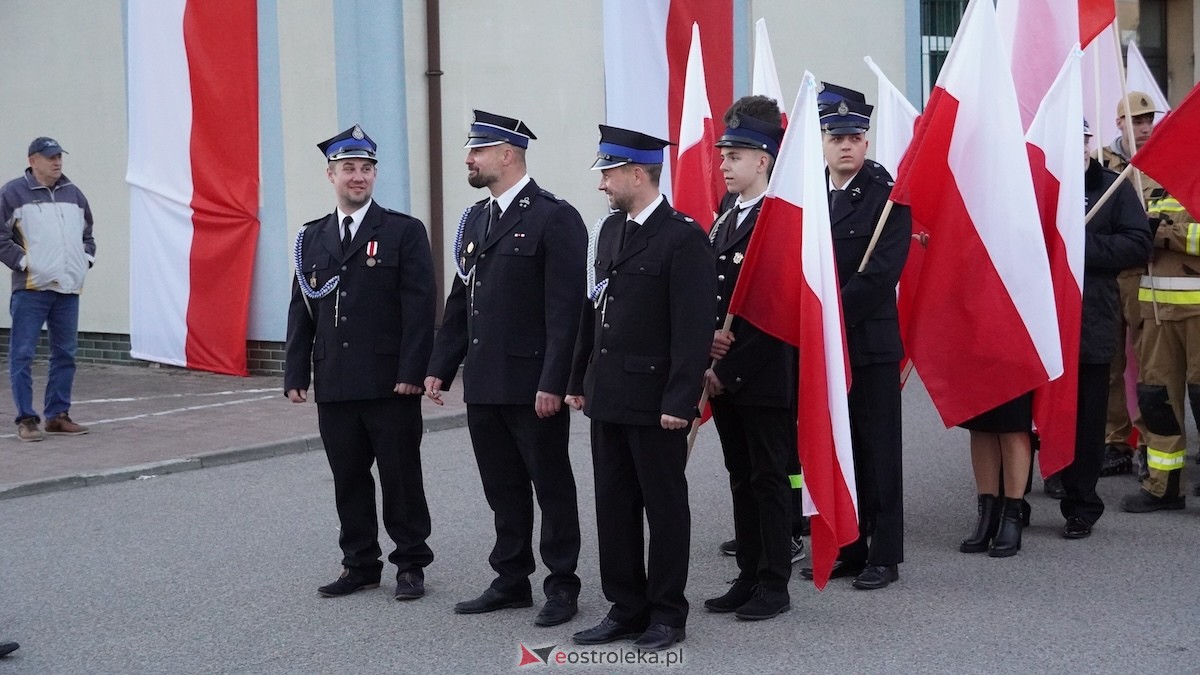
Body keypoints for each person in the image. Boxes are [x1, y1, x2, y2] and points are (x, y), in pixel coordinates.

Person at [425, 111, 586, 627]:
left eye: (477, 151)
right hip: (485, 381)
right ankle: (511, 578)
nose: (469, 160)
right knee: (502, 487)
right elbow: (462, 297)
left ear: (507, 154)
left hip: (533, 384)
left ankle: (562, 584)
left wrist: (555, 382)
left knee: (550, 486)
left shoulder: (554, 217)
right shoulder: (476, 219)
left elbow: (566, 310)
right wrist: (441, 364)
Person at [565, 125, 715, 651]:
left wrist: (680, 400)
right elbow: (594, 309)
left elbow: (692, 329)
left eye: (608, 174)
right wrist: (578, 379)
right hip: (608, 394)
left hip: (656, 402)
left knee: (664, 508)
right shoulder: (610, 231)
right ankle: (625, 607)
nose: (601, 184)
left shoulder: (683, 237)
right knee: (614, 506)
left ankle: (667, 613)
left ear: (636, 173)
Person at [285, 125, 436, 600]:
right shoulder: (311, 237)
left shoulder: (402, 231)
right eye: (348, 168)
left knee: (400, 477)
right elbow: (301, 308)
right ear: (330, 175)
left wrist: (413, 372)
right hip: (335, 380)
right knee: (348, 478)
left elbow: (419, 308)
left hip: (390, 383)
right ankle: (360, 564)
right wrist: (295, 371)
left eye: (366, 168)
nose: (358, 176)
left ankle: (410, 563)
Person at [798, 83, 910, 588]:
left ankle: (884, 553)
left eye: (854, 137)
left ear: (866, 141)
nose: (845, 146)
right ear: (822, 143)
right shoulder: (809, 193)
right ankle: (849, 545)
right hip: (822, 345)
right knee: (837, 447)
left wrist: (827, 318)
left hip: (866, 344)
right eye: (835, 137)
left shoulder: (887, 197)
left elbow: (880, 275)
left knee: (877, 449)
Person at [700, 96, 795, 621]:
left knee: (768, 478)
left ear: (763, 160)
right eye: (723, 156)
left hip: (761, 373)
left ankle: (774, 583)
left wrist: (726, 371)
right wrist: (706, 355)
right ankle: (748, 573)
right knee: (740, 475)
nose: (724, 165)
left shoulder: (777, 217)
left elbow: (776, 309)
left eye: (734, 156)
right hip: (723, 373)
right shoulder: (726, 213)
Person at [1055, 120, 1151, 538]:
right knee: (1038, 413)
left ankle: (1082, 504)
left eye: (1080, 140)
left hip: (1091, 316)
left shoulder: (1113, 188)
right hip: (1043, 319)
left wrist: (1079, 247)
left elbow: (1138, 244)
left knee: (1088, 415)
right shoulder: (1039, 183)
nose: (1075, 147)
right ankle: (1021, 496)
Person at [0, 137, 95, 442]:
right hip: (31, 288)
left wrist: (85, 260)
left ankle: (57, 416)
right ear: (33, 161)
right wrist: (24, 263)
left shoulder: (74, 194)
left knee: (65, 354)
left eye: (59, 157)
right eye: (50, 157)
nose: (57, 162)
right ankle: (27, 420)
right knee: (23, 354)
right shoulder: (13, 193)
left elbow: (87, 234)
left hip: (68, 288)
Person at [1119, 169, 1200, 513]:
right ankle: (1163, 487)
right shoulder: (1152, 187)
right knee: (1156, 403)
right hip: (1156, 312)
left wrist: (1161, 233)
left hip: (1197, 312)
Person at [1097, 91, 1162, 480]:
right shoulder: (1100, 163)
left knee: (1148, 365)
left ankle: (1151, 442)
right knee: (1109, 363)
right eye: (1136, 120)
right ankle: (1116, 440)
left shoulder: (1161, 161)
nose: (1144, 127)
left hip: (1144, 273)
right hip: (1108, 275)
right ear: (1119, 122)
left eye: (1148, 119)